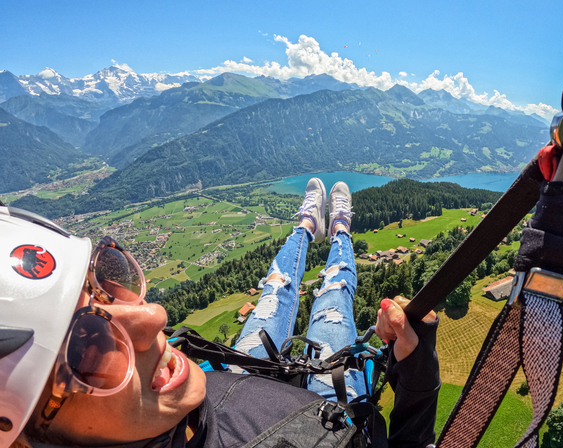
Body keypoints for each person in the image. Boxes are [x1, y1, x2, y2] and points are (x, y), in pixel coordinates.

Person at [0, 179, 440, 448]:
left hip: (234, 374)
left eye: (107, 285)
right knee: (336, 292)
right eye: (89, 345)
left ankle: (306, 226)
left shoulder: (162, 394)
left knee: (275, 286)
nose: (154, 316)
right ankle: (339, 229)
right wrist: (417, 371)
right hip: (330, 406)